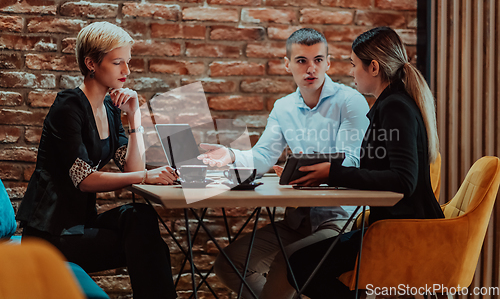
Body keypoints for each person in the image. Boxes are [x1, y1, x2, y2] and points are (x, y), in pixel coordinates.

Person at [198, 28, 370, 298]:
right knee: (229, 264)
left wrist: (305, 168)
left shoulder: (351, 102)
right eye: (301, 60)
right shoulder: (283, 107)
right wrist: (231, 154)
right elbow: (264, 156)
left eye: (317, 60)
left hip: (341, 219)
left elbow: (351, 161)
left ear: (328, 62)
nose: (310, 68)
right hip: (298, 220)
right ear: (287, 64)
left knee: (289, 260)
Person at [16, 22, 178, 299]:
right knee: (148, 247)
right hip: (50, 234)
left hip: (81, 224)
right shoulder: (68, 107)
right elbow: (84, 180)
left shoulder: (110, 110)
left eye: (128, 62)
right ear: (91, 63)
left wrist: (134, 117)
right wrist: (146, 177)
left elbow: (131, 168)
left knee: (140, 219)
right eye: (117, 63)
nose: (126, 71)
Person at [286, 26, 445, 298]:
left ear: (373, 67)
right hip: (393, 227)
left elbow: (403, 180)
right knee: (301, 263)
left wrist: (333, 174)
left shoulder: (395, 107)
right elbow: (382, 170)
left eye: (353, 64)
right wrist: (330, 173)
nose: (350, 72)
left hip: (402, 233)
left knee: (300, 265)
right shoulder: (392, 104)